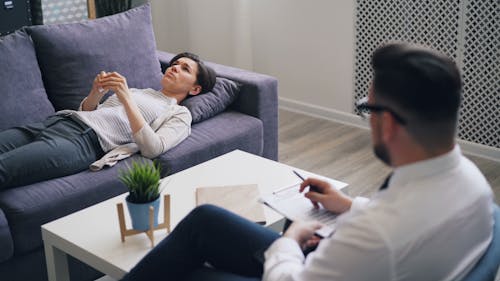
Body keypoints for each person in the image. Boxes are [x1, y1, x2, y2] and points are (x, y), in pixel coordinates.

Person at [120, 43, 494, 281]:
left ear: (390, 122)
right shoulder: (472, 183)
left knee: (185, 271)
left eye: (367, 109)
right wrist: (348, 206)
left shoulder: (378, 236)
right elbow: (405, 224)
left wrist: (292, 239)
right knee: (205, 222)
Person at [0, 52, 216, 189]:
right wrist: (96, 92)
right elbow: (91, 111)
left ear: (195, 89)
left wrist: (126, 98)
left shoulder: (179, 114)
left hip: (82, 143)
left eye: (184, 68)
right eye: (175, 63)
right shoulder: (138, 91)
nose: (174, 67)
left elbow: (153, 148)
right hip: (59, 121)